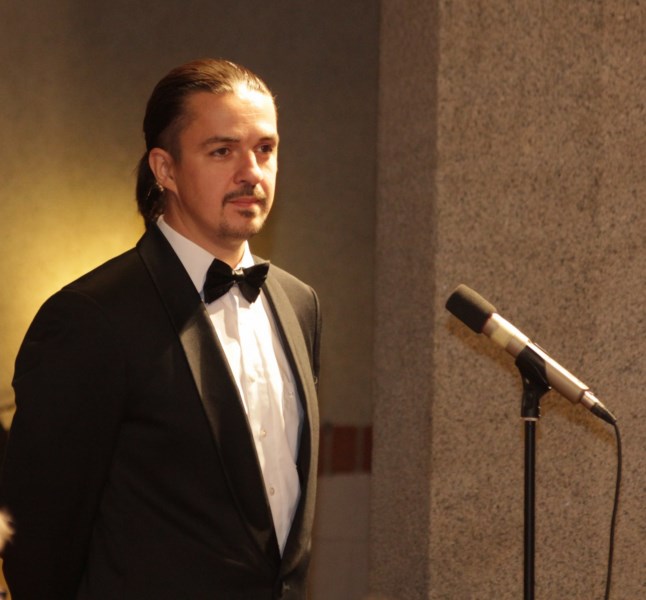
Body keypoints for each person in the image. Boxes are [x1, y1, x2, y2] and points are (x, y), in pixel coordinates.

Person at [0, 58, 321, 600]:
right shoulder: (90, 317)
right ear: (164, 169)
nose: (251, 172)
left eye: (265, 149)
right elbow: (37, 541)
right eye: (222, 151)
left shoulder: (299, 303)